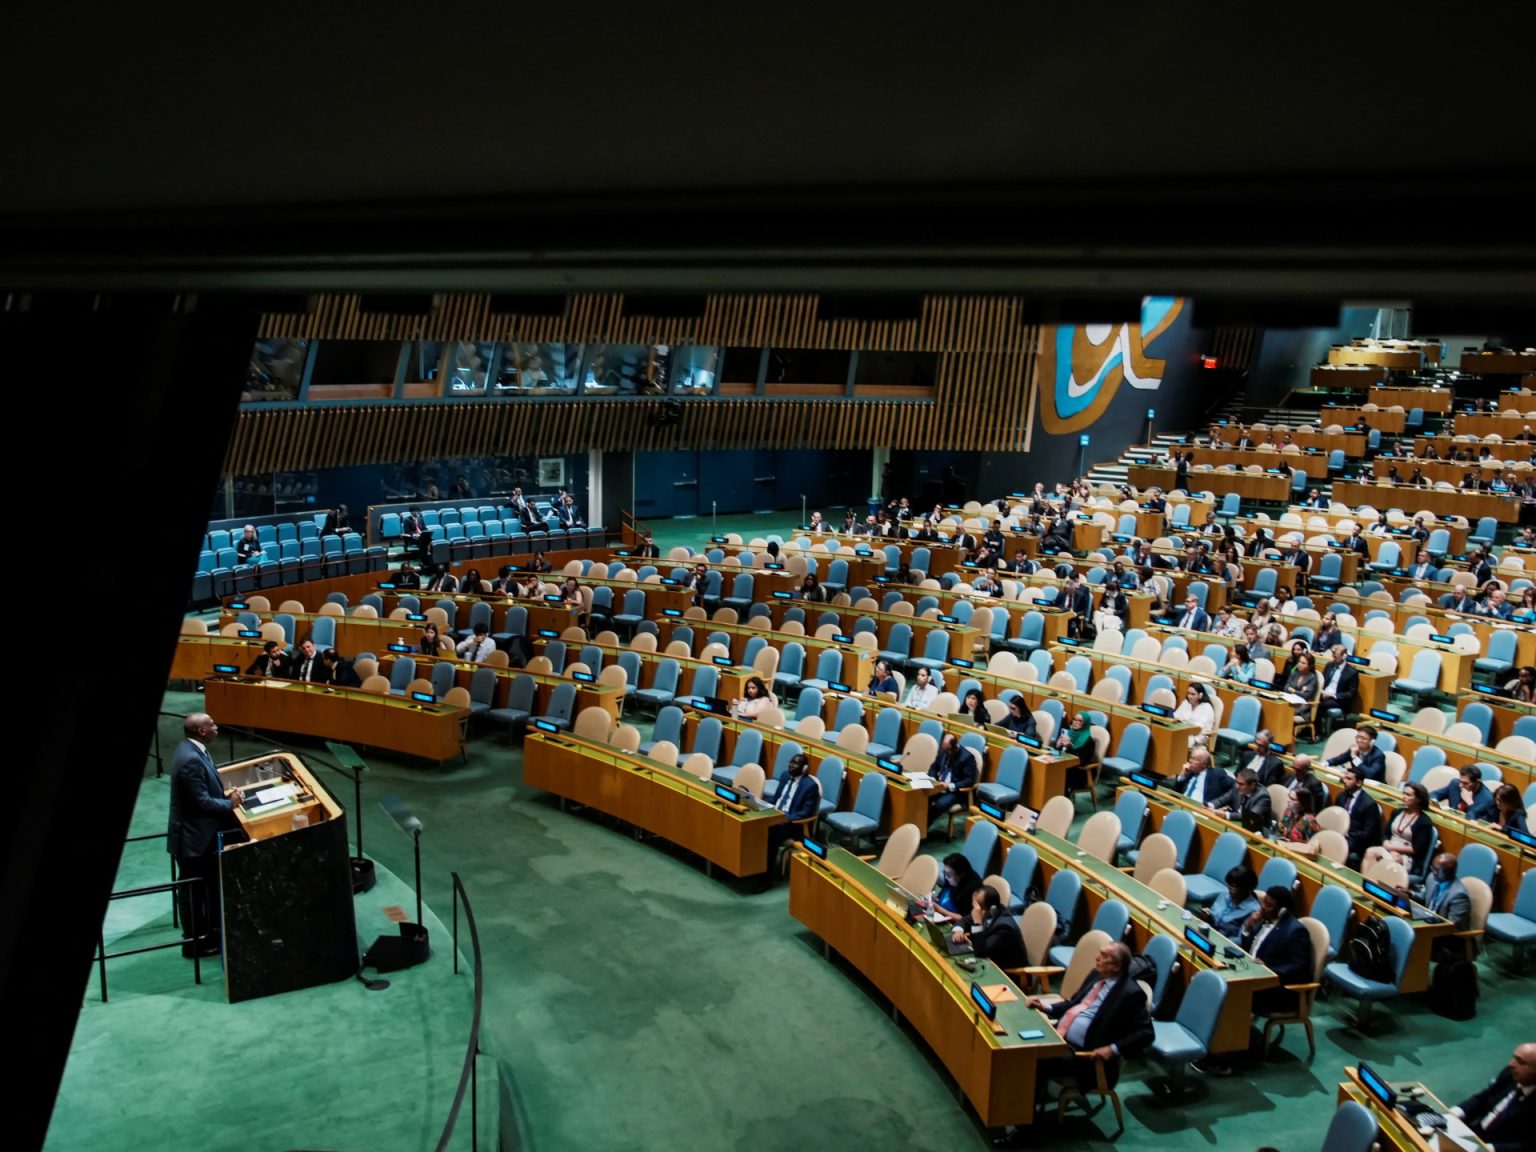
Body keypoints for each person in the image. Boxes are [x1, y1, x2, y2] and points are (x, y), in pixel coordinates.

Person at [1024, 942, 1154, 1099]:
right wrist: (1046, 1007)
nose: (1097, 958)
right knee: (1024, 1040)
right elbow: (1073, 1003)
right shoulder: (1096, 975)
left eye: (1104, 956)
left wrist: (1112, 1049)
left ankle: (1026, 1111)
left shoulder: (1131, 993)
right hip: (1059, 1036)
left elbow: (1146, 1033)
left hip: (1083, 1056)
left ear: (1116, 966)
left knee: (1033, 1057)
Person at [166, 713, 244, 958]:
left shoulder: (190, 749)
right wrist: (230, 804)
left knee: (201, 889)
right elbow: (200, 802)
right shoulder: (190, 758)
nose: (216, 727)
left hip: (199, 836)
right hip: (194, 841)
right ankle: (193, 944)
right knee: (192, 893)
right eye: (211, 725)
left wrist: (223, 796)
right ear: (201, 731)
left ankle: (206, 935)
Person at [1235, 887, 1313, 1017]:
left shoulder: (1295, 931)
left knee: (1234, 990)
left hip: (1277, 990)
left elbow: (1299, 966)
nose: (1263, 907)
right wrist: (1248, 926)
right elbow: (1248, 948)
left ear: (1282, 910)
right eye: (1264, 902)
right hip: (1251, 974)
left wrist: (1268, 970)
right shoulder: (1263, 919)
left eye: (1269, 905)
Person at [1447, 1042, 1536, 1152]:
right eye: (1514, 1058)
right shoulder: (1510, 1073)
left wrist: (1487, 1149)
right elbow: (1483, 1098)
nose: (1511, 1064)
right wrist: (1454, 1113)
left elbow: (1529, 1145)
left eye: (1521, 1062)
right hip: (1474, 1134)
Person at [761, 753, 821, 886]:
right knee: (753, 825)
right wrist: (760, 803)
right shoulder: (784, 776)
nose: (791, 766)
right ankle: (752, 868)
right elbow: (776, 799)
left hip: (792, 825)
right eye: (791, 762)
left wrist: (783, 818)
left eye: (796, 764)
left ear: (804, 768)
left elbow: (805, 813)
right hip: (774, 816)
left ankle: (765, 880)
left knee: (770, 833)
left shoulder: (810, 786)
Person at [1363, 782, 1435, 875]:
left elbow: (1417, 849)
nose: (1404, 797)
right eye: (1404, 793)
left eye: (1408, 795)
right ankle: (1366, 880)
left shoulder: (1424, 821)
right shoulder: (1397, 812)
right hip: (1389, 849)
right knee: (1370, 852)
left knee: (1389, 860)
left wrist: (1392, 848)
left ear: (1418, 799)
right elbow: (1385, 833)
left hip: (1407, 856)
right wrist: (1387, 844)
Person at [949, 883, 1028, 968]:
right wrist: (958, 930)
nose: (975, 911)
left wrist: (977, 923)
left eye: (978, 908)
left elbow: (980, 952)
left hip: (1008, 972)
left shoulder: (1004, 927)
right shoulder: (985, 911)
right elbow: (964, 921)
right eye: (974, 906)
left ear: (992, 909)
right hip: (989, 961)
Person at [1334, 765, 1383, 868]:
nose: (1344, 781)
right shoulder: (1341, 796)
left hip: (1358, 843)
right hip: (1340, 836)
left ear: (1359, 783)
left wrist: (1348, 835)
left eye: (1349, 779)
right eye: (1344, 777)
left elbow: (1368, 833)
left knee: (1348, 855)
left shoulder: (1369, 804)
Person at [927, 734, 977, 824]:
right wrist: (932, 778)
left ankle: (922, 829)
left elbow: (969, 781)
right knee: (921, 797)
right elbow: (934, 767)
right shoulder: (944, 750)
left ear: (954, 748)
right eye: (944, 750)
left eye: (947, 751)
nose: (945, 753)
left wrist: (949, 786)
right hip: (938, 786)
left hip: (955, 792)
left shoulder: (967, 758)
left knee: (938, 806)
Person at [1200, 865, 1260, 939]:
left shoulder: (1253, 910)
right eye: (1228, 884)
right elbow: (1213, 916)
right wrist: (1208, 917)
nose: (1229, 889)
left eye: (1234, 887)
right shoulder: (1224, 894)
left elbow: (1241, 940)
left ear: (1246, 888)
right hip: (1209, 933)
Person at [924, 853, 983, 924]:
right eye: (945, 873)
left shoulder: (972, 889)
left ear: (961, 874)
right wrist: (934, 898)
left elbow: (965, 918)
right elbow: (944, 897)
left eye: (949, 875)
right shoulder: (951, 880)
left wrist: (939, 909)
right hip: (938, 916)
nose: (946, 877)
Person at [1210, 767, 1273, 831]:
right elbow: (1223, 799)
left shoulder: (1262, 797)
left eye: (1241, 784)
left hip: (1256, 830)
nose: (1237, 786)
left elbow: (1249, 816)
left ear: (1252, 785)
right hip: (1237, 821)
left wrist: (1226, 814)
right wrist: (1210, 805)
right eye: (1237, 782)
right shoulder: (1237, 786)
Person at [1282, 649, 1320, 724]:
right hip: (1289, 702)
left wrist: (1293, 691)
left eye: (1303, 663)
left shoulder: (1312, 678)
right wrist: (1299, 692)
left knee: (1284, 713)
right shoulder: (1294, 673)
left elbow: (1306, 695)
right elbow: (1285, 688)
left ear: (1310, 666)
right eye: (1299, 662)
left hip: (1302, 708)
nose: (1300, 664)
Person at [1173, 682, 1215, 748]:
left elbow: (1198, 728)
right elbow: (1175, 716)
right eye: (1188, 693)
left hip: (1197, 738)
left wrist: (1182, 723)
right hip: (1183, 733)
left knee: (1175, 742)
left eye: (1193, 694)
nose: (1189, 696)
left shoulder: (1206, 707)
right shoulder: (1186, 703)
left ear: (1200, 695)